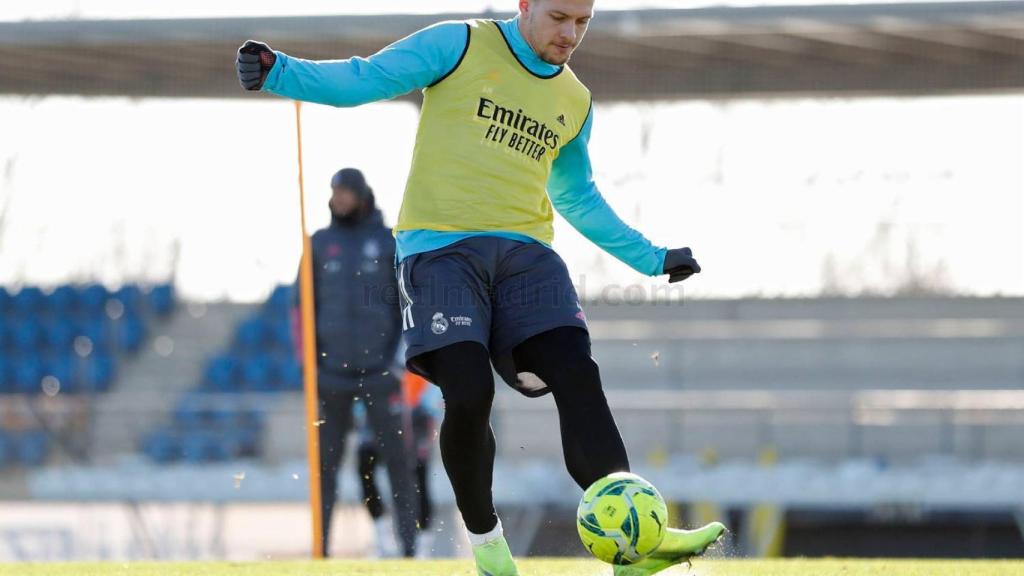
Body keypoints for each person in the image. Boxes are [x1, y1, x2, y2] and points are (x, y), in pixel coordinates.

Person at [240, 1, 725, 574]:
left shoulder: (575, 102)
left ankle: (635, 544)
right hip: (440, 252)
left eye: (582, 22)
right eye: (559, 17)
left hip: (527, 257)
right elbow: (365, 78)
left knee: (576, 369)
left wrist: (651, 257)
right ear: (525, 4)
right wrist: (280, 70)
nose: (570, 34)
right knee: (468, 391)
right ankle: (491, 549)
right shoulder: (459, 45)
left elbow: (576, 196)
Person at [290, 168, 420, 558]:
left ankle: (409, 551)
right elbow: (300, 310)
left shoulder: (388, 242)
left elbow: (409, 303)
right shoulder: (318, 243)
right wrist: (310, 367)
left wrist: (398, 363)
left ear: (362, 195)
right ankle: (321, 552)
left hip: (381, 374)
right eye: (334, 192)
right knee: (324, 468)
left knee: (399, 463)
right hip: (330, 376)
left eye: (345, 192)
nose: (338, 198)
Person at [354, 370, 440, 557]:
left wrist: (426, 404)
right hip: (378, 409)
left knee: (419, 476)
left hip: (417, 412)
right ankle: (382, 534)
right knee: (365, 466)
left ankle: (422, 543)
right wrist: (363, 407)